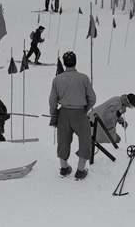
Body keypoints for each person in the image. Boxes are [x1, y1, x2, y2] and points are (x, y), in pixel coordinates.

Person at [49, 50, 96, 180]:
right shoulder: (83, 78)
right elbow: (92, 98)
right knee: (85, 140)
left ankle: (64, 168)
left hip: (63, 113)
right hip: (79, 113)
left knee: (63, 141)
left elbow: (52, 101)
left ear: (64, 63)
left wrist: (54, 115)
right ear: (75, 62)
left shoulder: (57, 79)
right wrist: (85, 109)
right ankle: (80, 170)